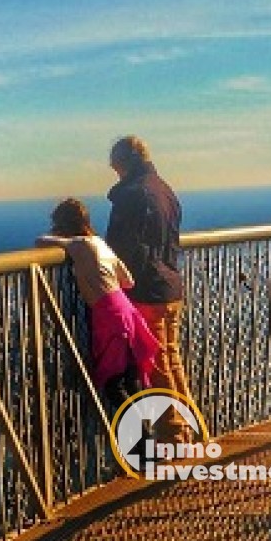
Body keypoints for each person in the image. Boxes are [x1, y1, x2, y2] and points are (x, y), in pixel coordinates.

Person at [104, 135, 197, 436]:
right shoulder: (165, 190)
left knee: (157, 365)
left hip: (148, 288)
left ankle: (174, 437)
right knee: (171, 360)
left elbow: (123, 246)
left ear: (122, 163)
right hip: (171, 285)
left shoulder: (131, 195)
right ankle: (194, 430)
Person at [37, 197, 159, 412]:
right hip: (126, 310)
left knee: (114, 384)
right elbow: (129, 281)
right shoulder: (100, 243)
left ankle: (139, 431)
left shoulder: (79, 244)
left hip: (109, 315)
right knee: (131, 378)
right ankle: (146, 430)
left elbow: (42, 241)